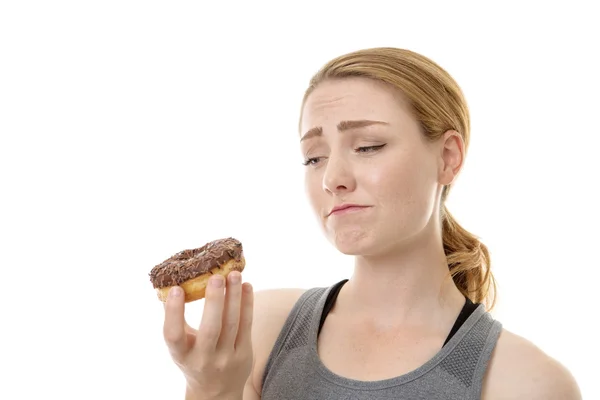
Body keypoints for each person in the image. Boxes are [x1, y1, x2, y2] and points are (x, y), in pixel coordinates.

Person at [161, 47, 582, 399]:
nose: (332, 179)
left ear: (448, 157)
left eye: (367, 146)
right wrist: (211, 389)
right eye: (314, 157)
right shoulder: (260, 335)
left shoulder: (526, 382)